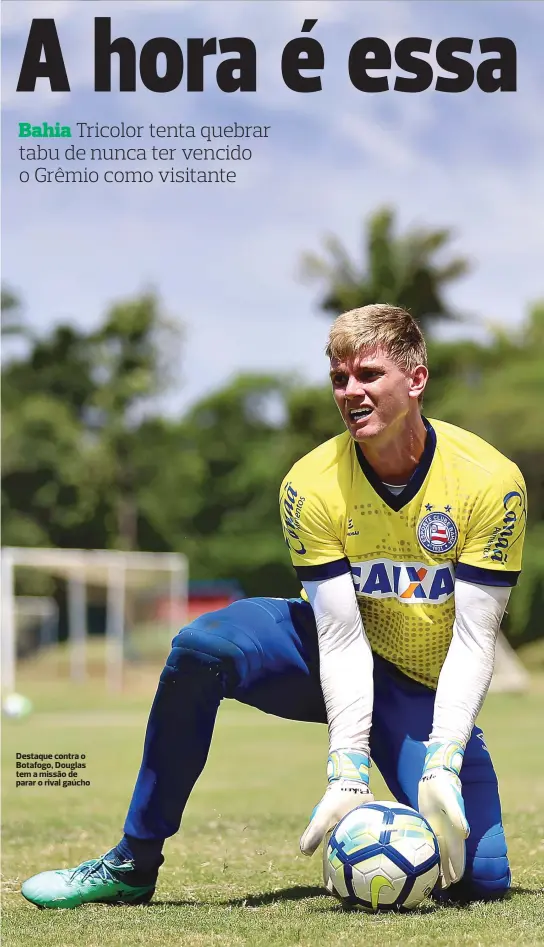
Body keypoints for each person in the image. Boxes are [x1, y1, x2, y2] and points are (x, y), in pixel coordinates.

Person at [22, 304, 527, 909]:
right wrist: (346, 767)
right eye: (340, 378)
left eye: (368, 374)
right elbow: (339, 638)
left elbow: (475, 642)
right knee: (202, 648)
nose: (351, 392)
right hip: (324, 655)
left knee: (483, 879)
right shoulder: (309, 483)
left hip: (420, 685)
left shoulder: (490, 482)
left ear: (416, 380)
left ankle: (440, 772)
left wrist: (444, 755)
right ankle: (133, 860)